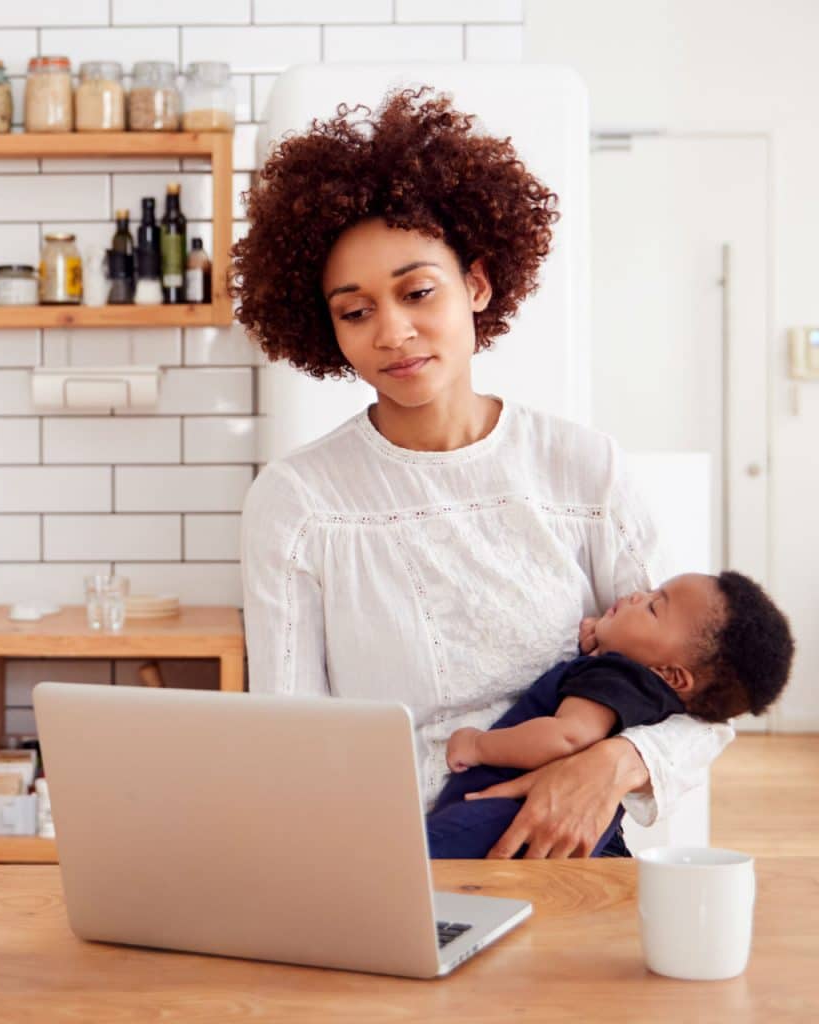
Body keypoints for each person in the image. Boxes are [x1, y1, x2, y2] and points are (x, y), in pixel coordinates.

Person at [236, 87, 735, 859]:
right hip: (394, 862)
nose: (393, 332)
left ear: (476, 285)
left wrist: (609, 766)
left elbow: (701, 694)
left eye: (417, 292)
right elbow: (294, 734)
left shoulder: (585, 470)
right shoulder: (299, 502)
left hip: (578, 866)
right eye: (355, 310)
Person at [429, 571, 795, 858]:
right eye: (652, 592)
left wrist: (478, 745)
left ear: (672, 675)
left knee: (416, 859)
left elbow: (567, 736)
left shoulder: (617, 677)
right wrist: (604, 635)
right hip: (564, 821)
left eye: (653, 607)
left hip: (510, 814)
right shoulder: (643, 688)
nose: (638, 596)